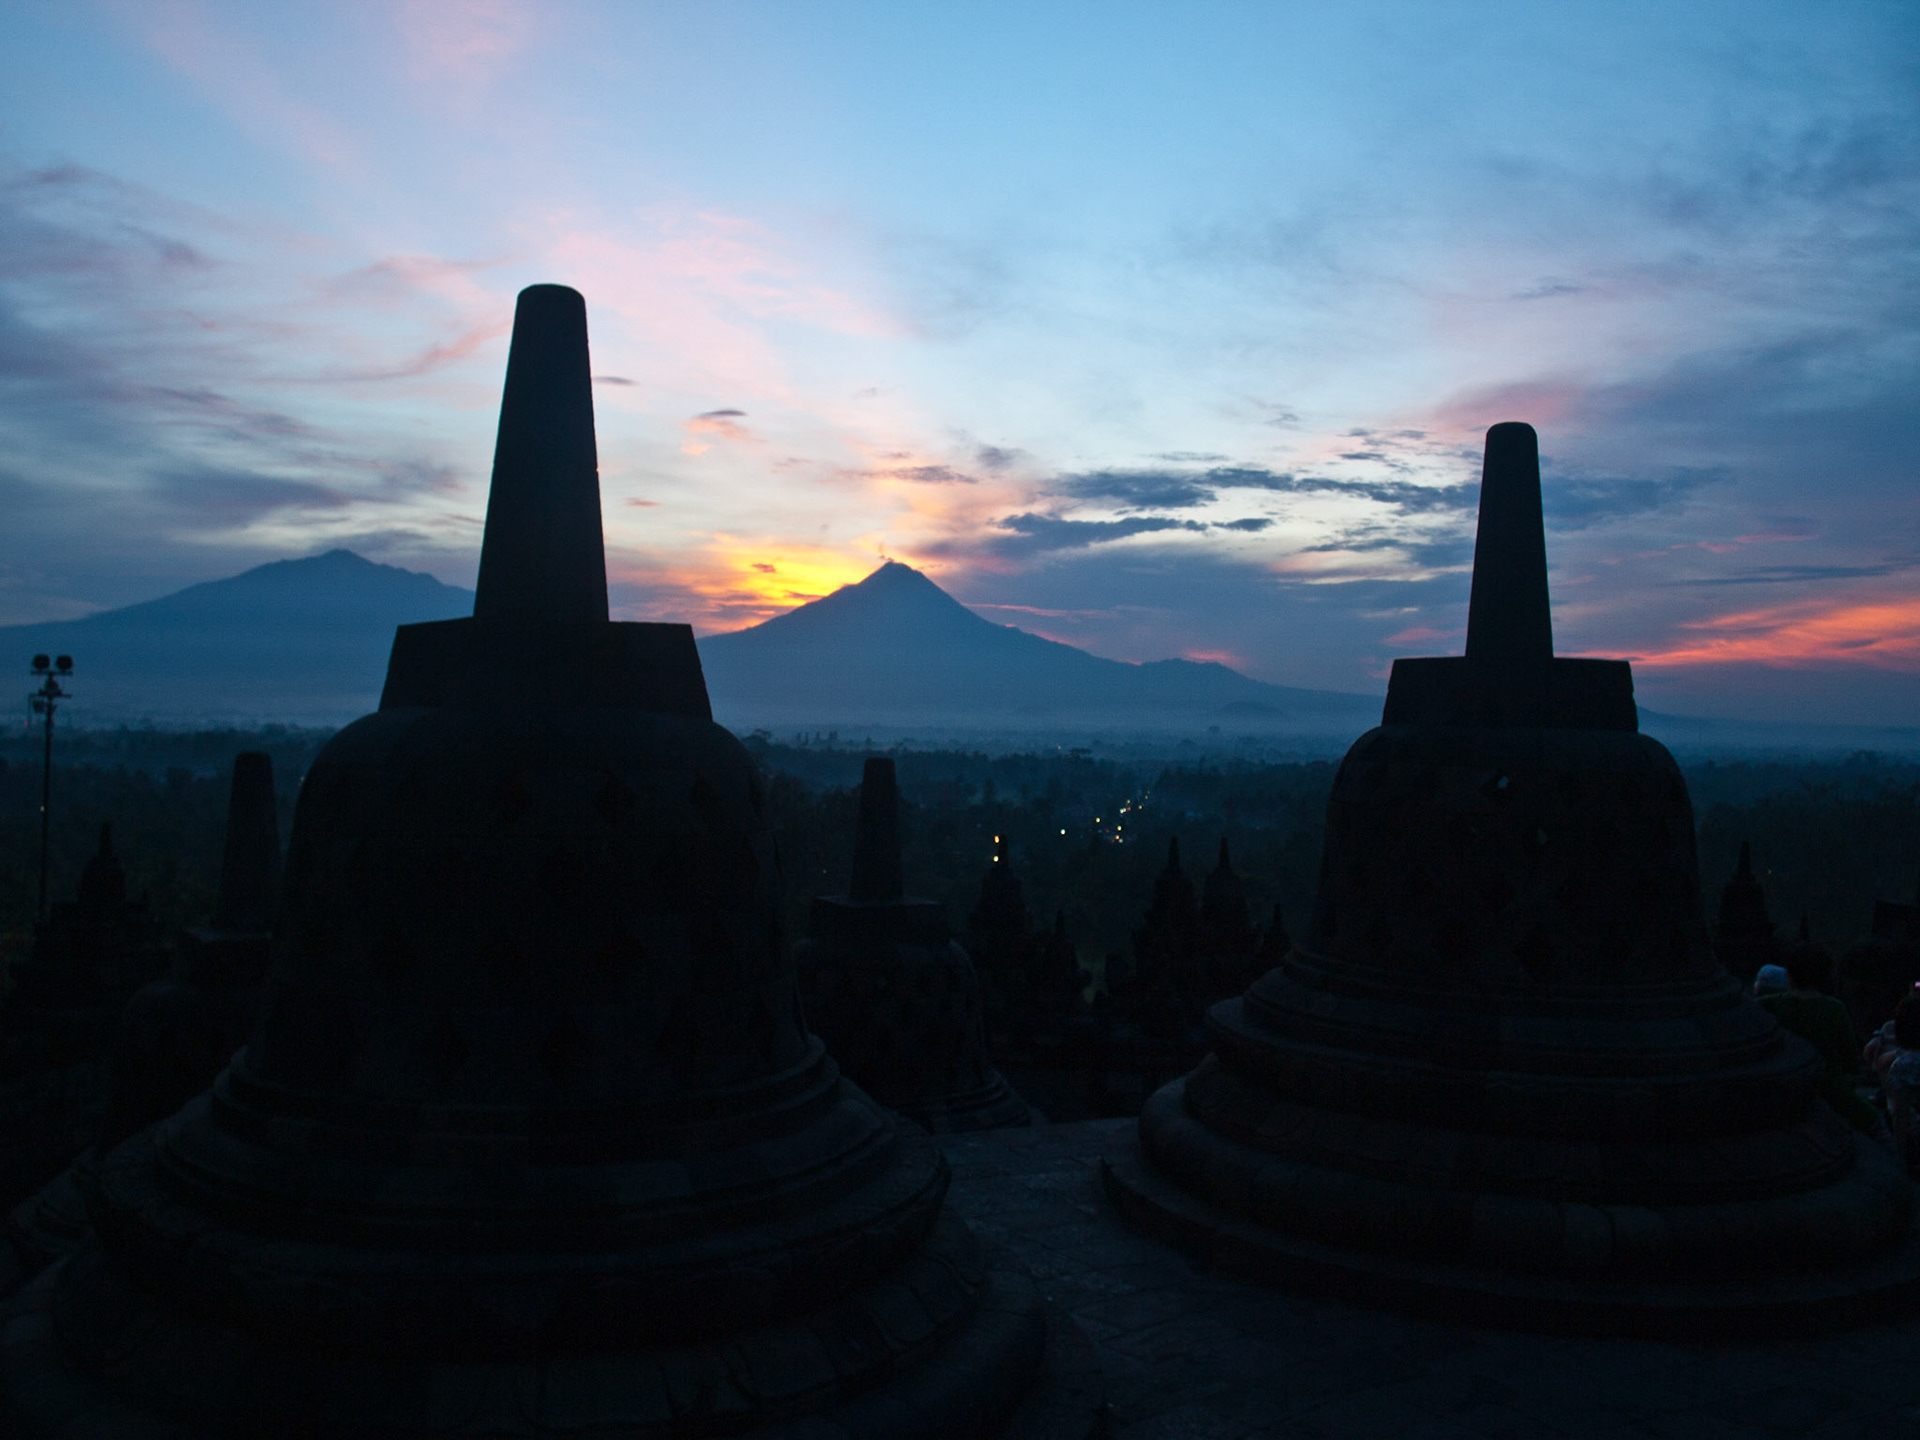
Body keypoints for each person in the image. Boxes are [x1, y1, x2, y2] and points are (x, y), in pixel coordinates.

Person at [1757, 941, 1883, 1136]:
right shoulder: (1834, 1008)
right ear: (1826, 976)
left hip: (1780, 1093)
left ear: (1788, 974)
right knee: (1881, 1133)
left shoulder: (1767, 1005)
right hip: (1831, 1094)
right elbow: (1850, 1061)